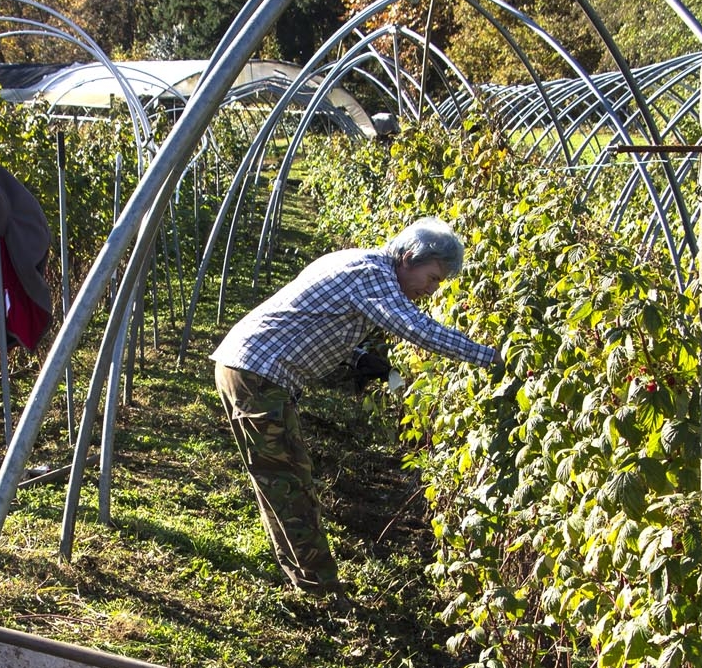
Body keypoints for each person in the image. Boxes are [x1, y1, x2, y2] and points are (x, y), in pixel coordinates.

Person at [212, 217, 497, 597]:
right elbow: (418, 330)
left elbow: (317, 317)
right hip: (257, 374)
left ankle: (306, 579)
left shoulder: (358, 262)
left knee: (281, 478)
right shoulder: (372, 275)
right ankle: (321, 590)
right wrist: (492, 357)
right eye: (432, 278)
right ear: (410, 257)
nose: (431, 289)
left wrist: (359, 357)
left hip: (253, 368)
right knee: (288, 482)